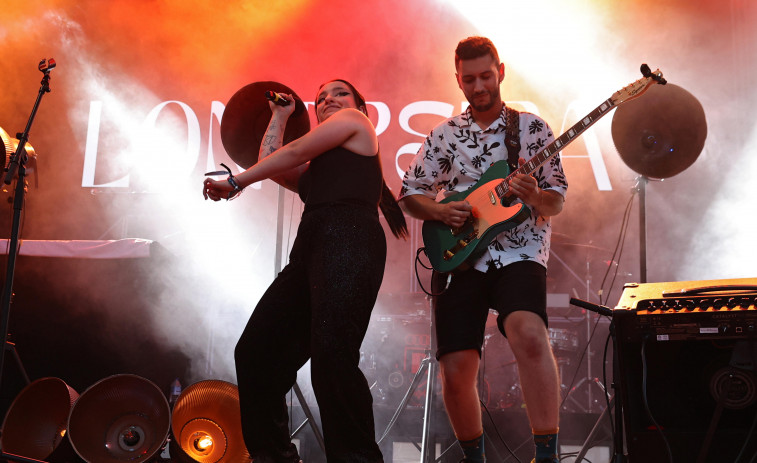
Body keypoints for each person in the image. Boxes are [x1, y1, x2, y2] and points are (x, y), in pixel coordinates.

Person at [203, 79, 407, 463]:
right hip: (311, 247)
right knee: (256, 352)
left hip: (350, 238)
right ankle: (273, 457)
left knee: (332, 353)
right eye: (320, 99)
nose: (328, 99)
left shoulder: (356, 123)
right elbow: (276, 161)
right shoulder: (318, 167)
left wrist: (235, 182)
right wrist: (280, 115)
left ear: (359, 106)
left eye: (339, 93)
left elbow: (293, 150)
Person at [398, 37, 567, 463]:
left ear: (501, 72)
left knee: (529, 333)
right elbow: (410, 193)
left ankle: (546, 455)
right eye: (469, 79)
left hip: (519, 250)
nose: (479, 87)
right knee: (456, 367)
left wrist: (535, 196)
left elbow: (557, 200)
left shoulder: (532, 130)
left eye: (486, 76)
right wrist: (440, 212)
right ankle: (475, 458)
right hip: (459, 254)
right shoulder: (444, 135)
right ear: (458, 80)